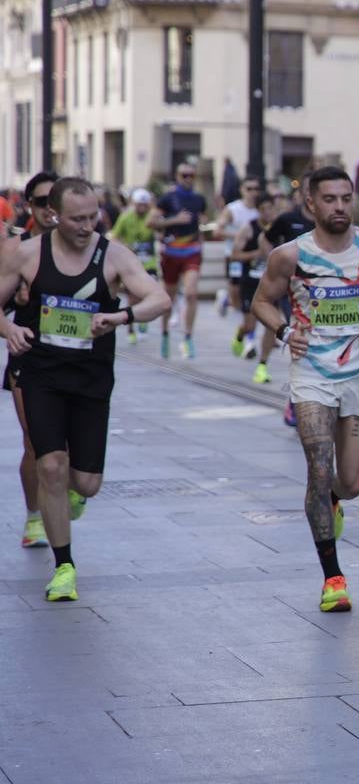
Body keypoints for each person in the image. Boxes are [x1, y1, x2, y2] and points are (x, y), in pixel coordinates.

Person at [251, 167, 359, 612]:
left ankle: (336, 501)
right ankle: (333, 578)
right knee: (319, 471)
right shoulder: (290, 256)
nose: (339, 206)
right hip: (312, 376)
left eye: (346, 198)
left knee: (352, 483)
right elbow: (261, 302)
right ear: (311, 204)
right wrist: (286, 331)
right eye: (330, 199)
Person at [0, 176, 170, 600]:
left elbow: (159, 299)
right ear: (54, 215)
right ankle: (64, 567)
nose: (87, 226)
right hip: (41, 374)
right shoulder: (27, 255)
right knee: (50, 466)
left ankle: (74, 495)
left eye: (94, 216)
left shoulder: (113, 255)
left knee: (86, 483)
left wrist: (121, 317)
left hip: (91, 378)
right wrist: (8, 329)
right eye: (77, 218)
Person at [5, 172, 59, 548]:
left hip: (73, 359)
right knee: (35, 441)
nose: (49, 209)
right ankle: (34, 516)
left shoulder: (84, 246)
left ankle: (70, 491)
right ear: (30, 206)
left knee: (66, 446)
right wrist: (14, 315)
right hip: (28, 353)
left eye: (56, 200)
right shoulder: (15, 249)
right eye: (41, 202)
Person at [252, 180, 316, 428]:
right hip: (293, 292)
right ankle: (295, 399)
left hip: (323, 295)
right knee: (299, 339)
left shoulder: (329, 225)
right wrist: (274, 264)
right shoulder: (288, 218)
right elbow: (265, 239)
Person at [150, 162, 207, 359]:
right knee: (169, 297)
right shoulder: (167, 198)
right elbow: (152, 222)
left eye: (192, 175)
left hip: (192, 250)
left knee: (191, 293)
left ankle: (188, 336)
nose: (189, 179)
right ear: (177, 176)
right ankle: (165, 332)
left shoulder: (199, 199)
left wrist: (202, 242)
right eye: (185, 175)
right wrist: (174, 220)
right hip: (171, 252)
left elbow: (201, 223)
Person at [229, 192, 279, 361]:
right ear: (257, 211)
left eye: (269, 208)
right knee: (250, 324)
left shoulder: (280, 226)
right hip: (250, 281)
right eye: (262, 209)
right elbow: (234, 255)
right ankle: (240, 334)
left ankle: (263, 364)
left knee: (272, 325)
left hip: (272, 283)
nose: (267, 212)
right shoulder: (249, 228)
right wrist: (255, 254)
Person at [109, 189, 160, 345]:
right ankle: (131, 328)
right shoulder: (126, 218)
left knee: (148, 292)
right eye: (139, 205)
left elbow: (160, 232)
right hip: (132, 262)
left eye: (145, 205)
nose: (142, 208)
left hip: (149, 261)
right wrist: (125, 247)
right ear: (134, 204)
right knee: (133, 297)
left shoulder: (152, 217)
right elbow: (113, 236)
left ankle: (143, 318)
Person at [217, 176, 262, 324]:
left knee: (251, 291)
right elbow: (218, 231)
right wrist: (240, 235)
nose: (253, 192)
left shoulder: (260, 210)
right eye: (249, 189)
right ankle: (228, 299)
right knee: (235, 290)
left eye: (256, 189)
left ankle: (247, 321)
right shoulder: (233, 209)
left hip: (254, 257)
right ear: (242, 190)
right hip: (234, 255)